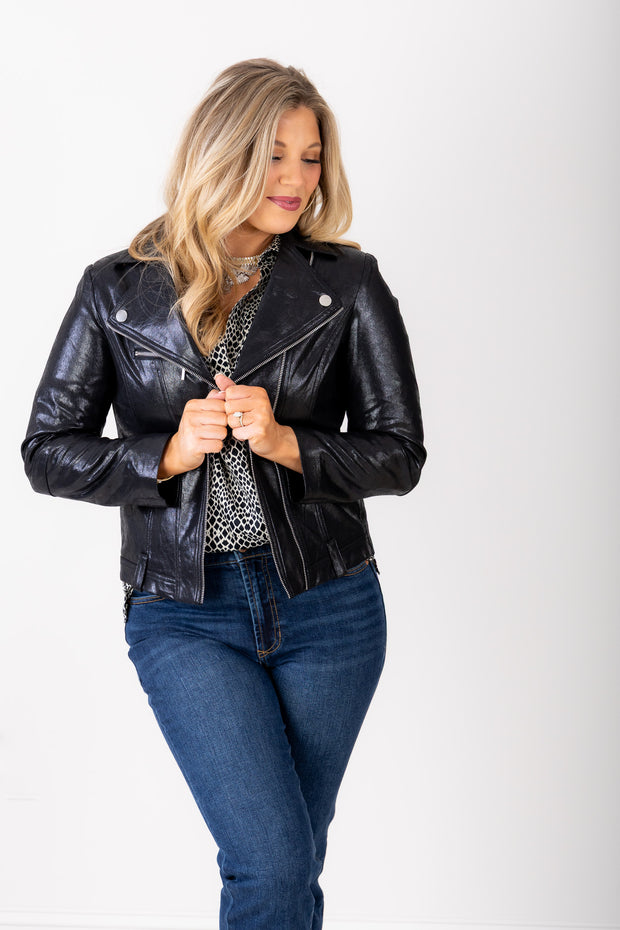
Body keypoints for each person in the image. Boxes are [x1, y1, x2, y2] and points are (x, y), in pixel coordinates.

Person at [22, 59, 426, 930]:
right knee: (272, 866)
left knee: (289, 865)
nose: (296, 178)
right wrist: (164, 455)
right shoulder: (116, 290)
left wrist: (290, 444)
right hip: (185, 612)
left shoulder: (346, 283)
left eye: (311, 157)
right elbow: (47, 453)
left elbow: (399, 454)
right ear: (223, 152)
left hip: (329, 606)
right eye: (274, 154)